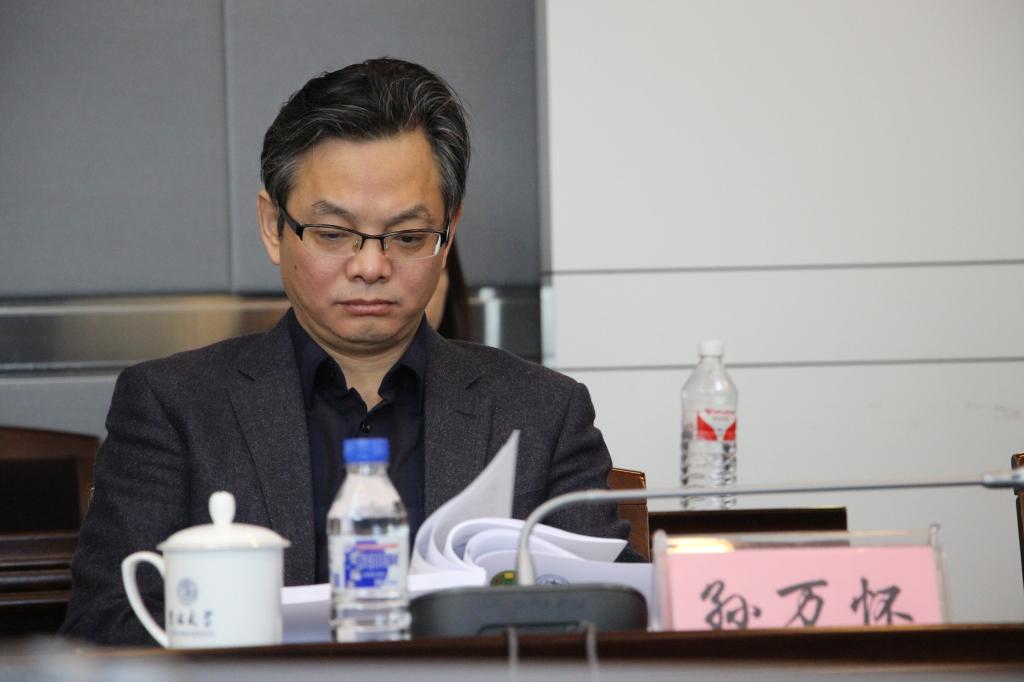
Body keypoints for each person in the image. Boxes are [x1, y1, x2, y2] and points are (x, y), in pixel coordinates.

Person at [60, 58, 630, 645]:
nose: (371, 266)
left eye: (408, 236)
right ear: (272, 226)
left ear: (448, 233)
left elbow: (617, 616)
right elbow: (103, 628)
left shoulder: (541, 411)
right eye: (334, 234)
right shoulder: (173, 406)